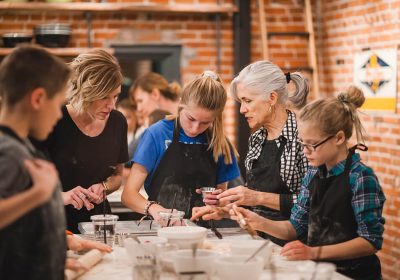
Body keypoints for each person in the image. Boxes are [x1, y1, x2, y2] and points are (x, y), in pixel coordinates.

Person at [229, 86, 386, 280]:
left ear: (339, 138)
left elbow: (370, 241)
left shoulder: (360, 177)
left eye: (312, 145)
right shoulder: (313, 173)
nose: (305, 151)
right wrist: (257, 221)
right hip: (318, 273)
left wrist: (314, 253)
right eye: (302, 144)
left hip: (354, 274)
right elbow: (294, 227)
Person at [192, 61, 309, 245]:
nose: (242, 109)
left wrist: (257, 196)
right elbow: (256, 206)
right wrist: (225, 210)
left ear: (271, 97)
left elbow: (314, 203)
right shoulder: (256, 139)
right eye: (241, 102)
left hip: (298, 245)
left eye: (247, 101)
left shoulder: (303, 138)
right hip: (259, 241)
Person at [122, 71, 240, 222]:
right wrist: (154, 209)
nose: (195, 128)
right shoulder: (157, 134)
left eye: (205, 123)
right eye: (191, 118)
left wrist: (217, 204)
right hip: (163, 228)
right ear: (180, 105)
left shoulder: (220, 144)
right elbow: (128, 195)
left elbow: (221, 199)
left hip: (206, 232)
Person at [0, 45, 70, 279]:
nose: (60, 115)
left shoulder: (20, 146)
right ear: (38, 98)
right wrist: (38, 193)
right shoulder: (9, 153)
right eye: (59, 105)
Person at [45, 49, 129, 233]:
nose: (111, 105)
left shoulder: (117, 122)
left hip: (98, 225)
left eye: (115, 96)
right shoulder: (53, 119)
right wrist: (63, 196)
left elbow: (117, 176)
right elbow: (26, 187)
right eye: (104, 97)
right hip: (53, 224)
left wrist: (103, 187)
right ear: (85, 91)